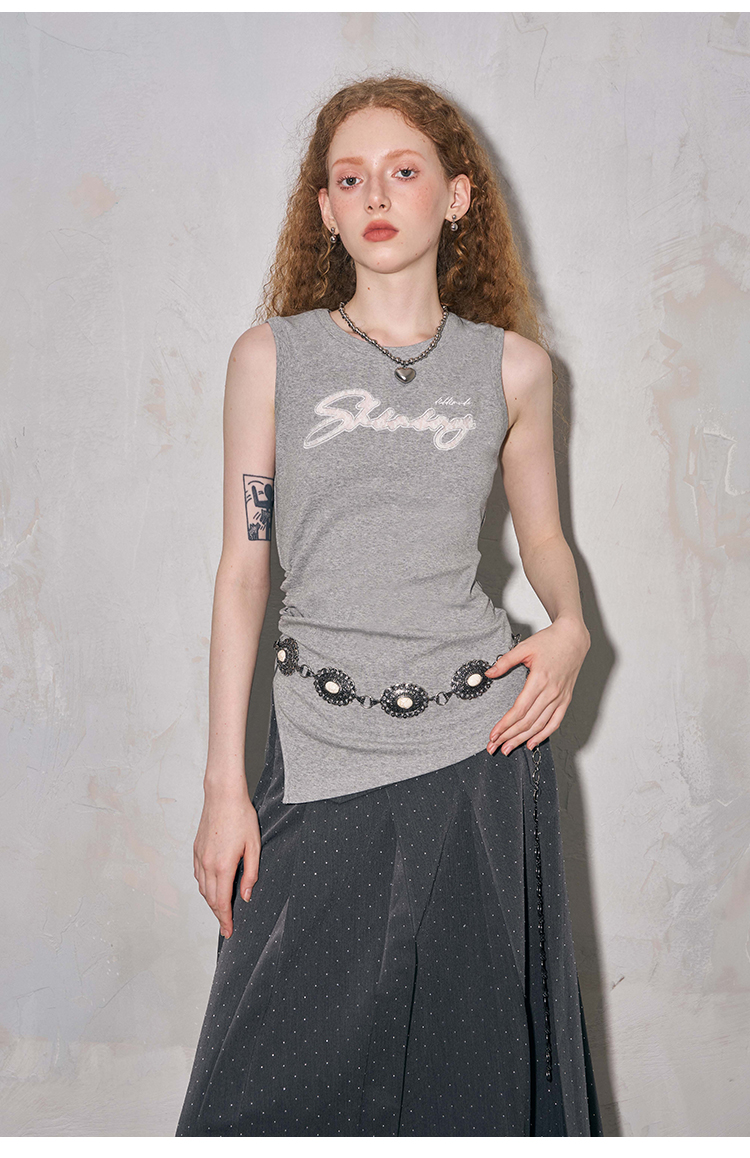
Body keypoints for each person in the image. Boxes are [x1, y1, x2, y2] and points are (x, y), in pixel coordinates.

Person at [175, 73, 603, 1137]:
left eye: (403, 171)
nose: (375, 193)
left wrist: (570, 626)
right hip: (317, 743)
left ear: (455, 197)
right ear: (324, 209)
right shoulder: (272, 357)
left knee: (470, 1078)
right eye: (349, 177)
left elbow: (544, 540)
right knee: (268, 1079)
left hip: (479, 746)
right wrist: (226, 784)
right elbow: (243, 569)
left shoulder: (513, 370)